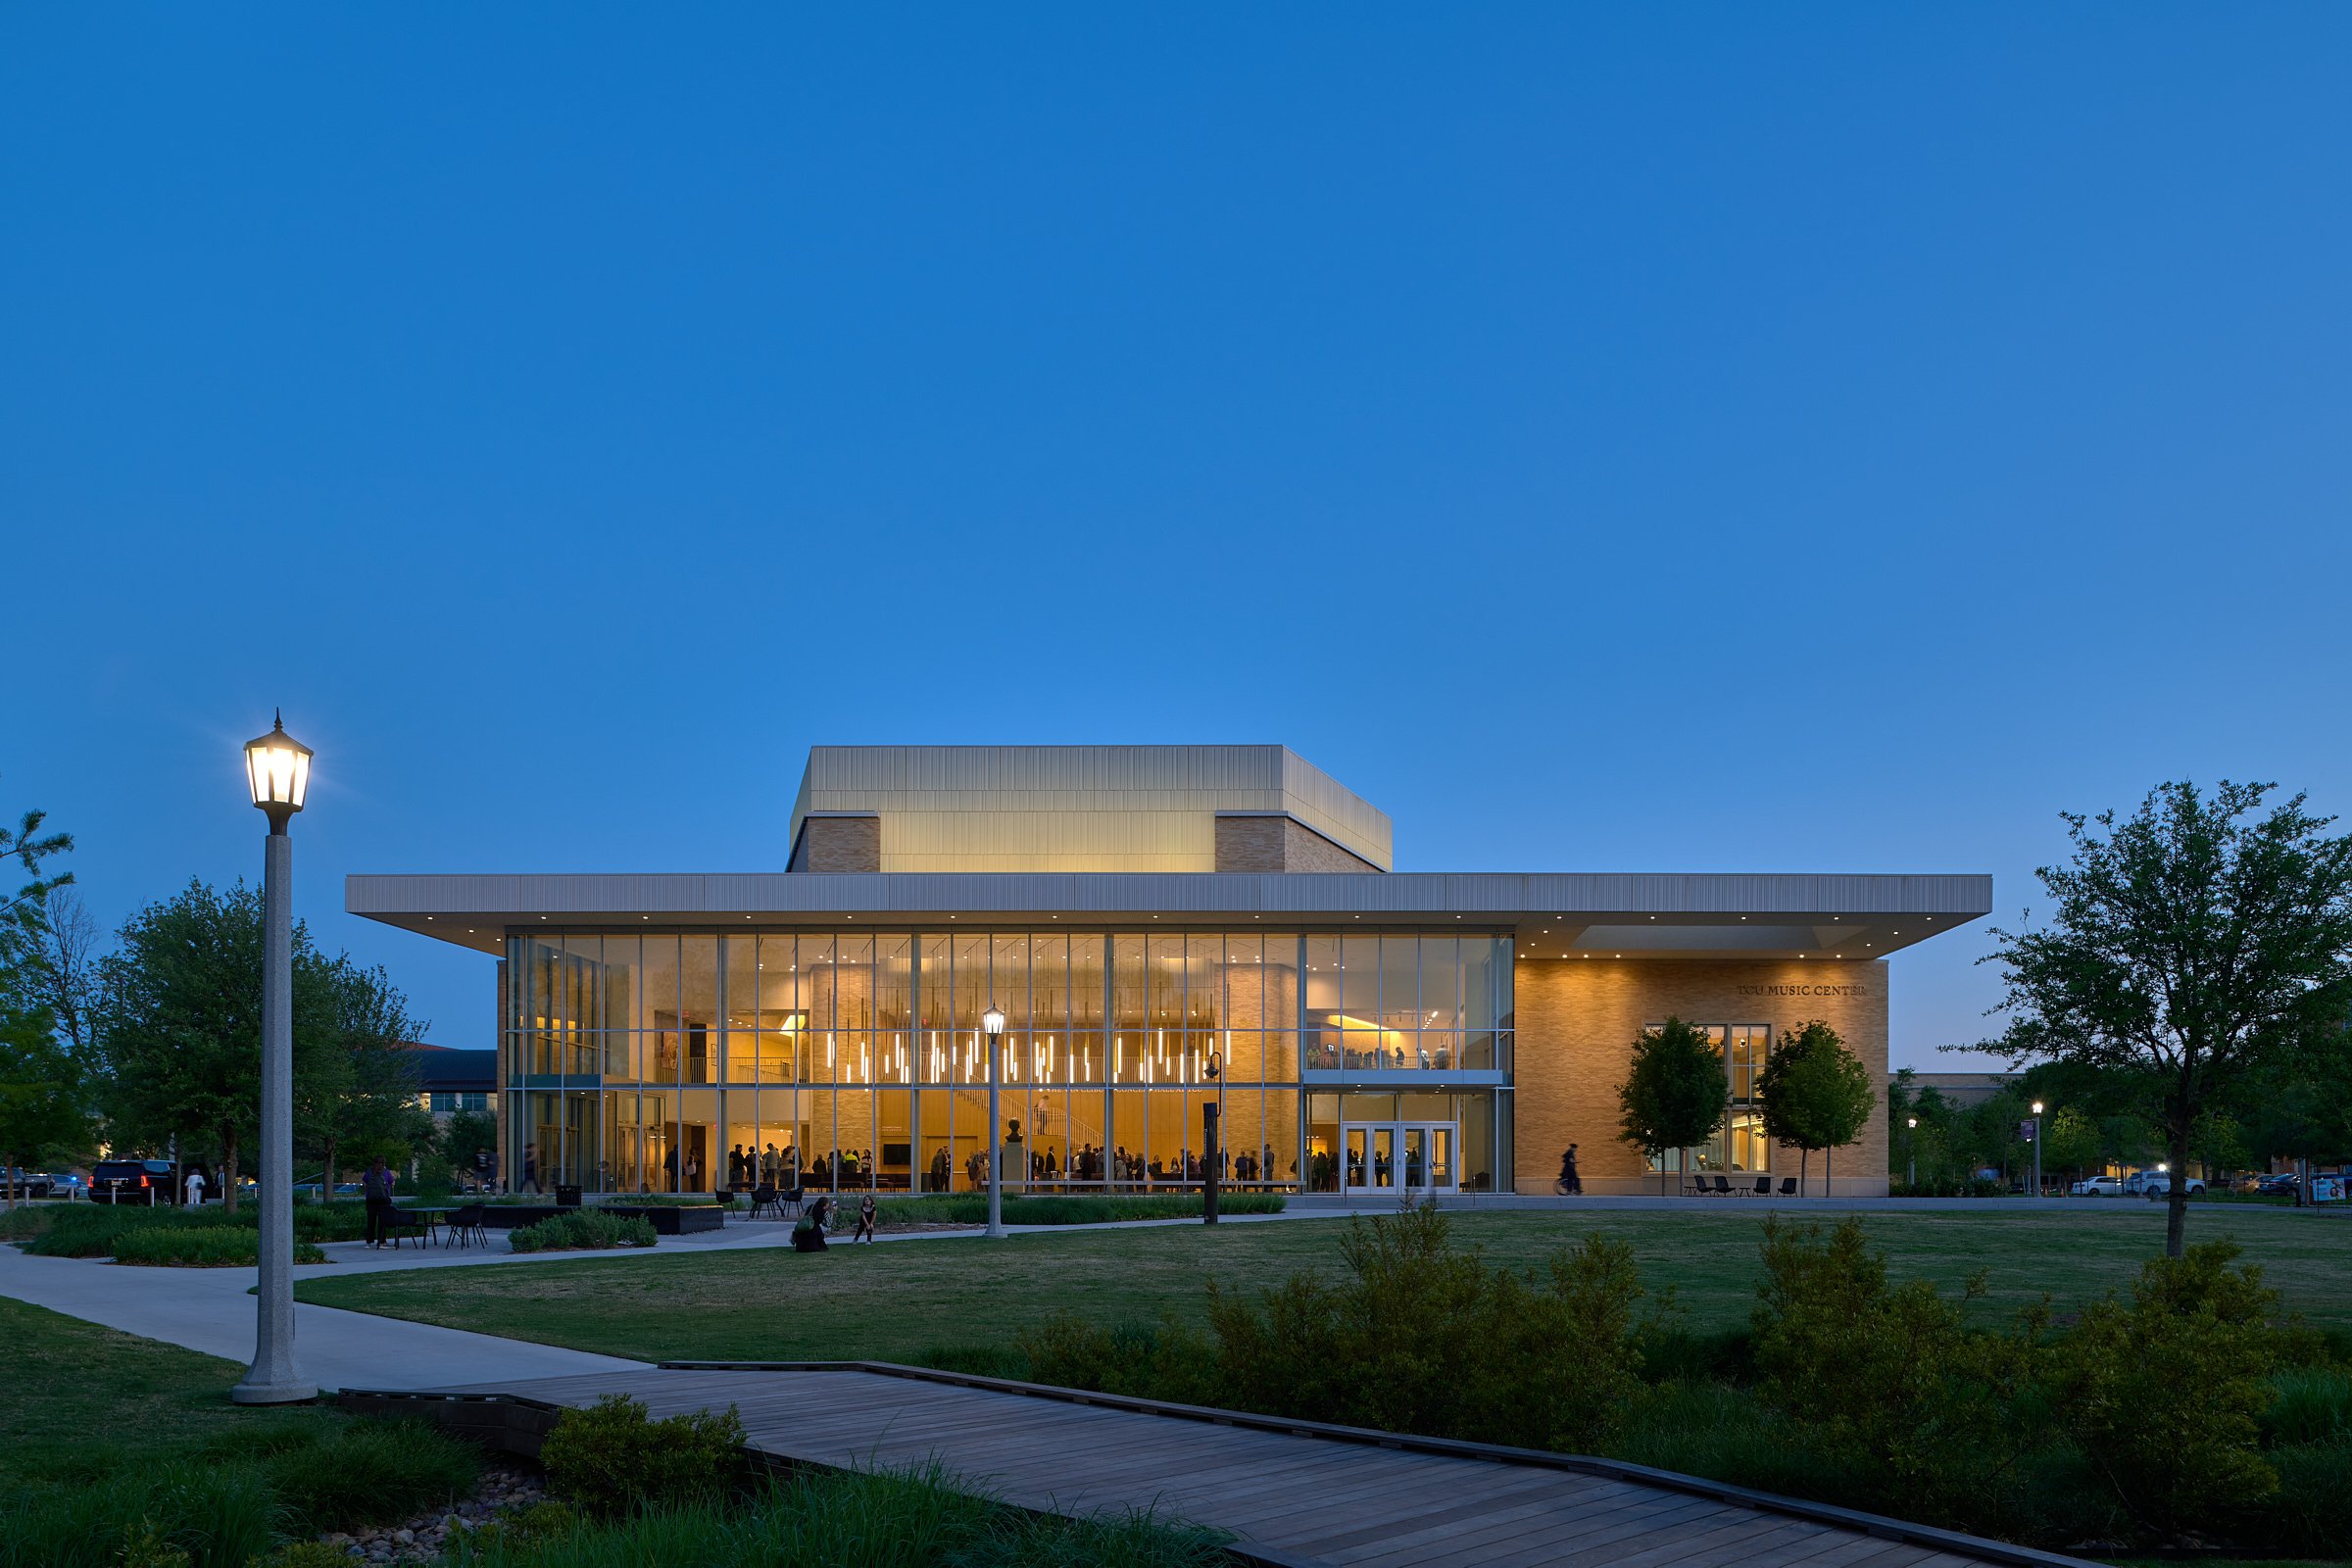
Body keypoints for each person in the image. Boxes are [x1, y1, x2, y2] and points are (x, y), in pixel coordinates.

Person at [363, 1156, 396, 1249]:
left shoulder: (369, 1172)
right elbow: (392, 1182)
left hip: (371, 1200)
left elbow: (365, 1182)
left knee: (371, 1221)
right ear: (384, 1163)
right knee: (382, 1221)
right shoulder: (386, 1172)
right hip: (383, 1200)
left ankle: (368, 1242)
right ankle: (381, 1242)